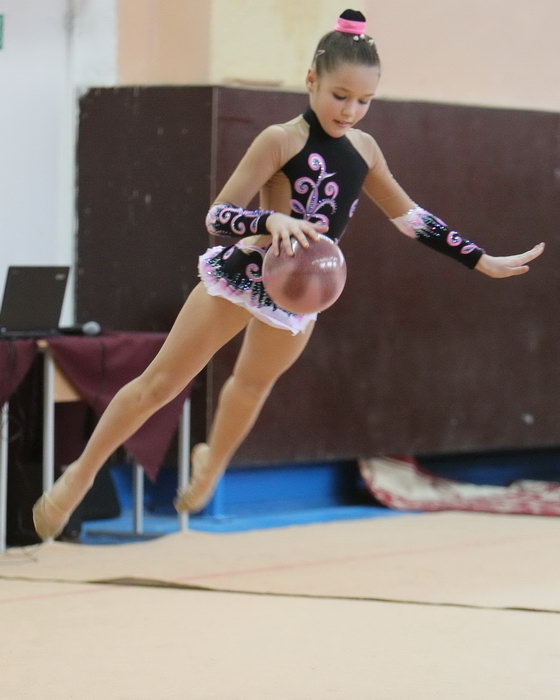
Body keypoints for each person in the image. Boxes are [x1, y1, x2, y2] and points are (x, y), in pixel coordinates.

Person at [32, 8, 545, 540]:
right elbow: (217, 216)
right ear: (311, 80)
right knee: (161, 383)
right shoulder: (280, 140)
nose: (350, 110)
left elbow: (411, 218)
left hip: (303, 290)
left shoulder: (365, 150)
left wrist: (479, 258)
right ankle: (79, 475)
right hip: (246, 273)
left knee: (253, 384)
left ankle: (212, 461)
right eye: (340, 95)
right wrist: (269, 219)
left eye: (364, 100)